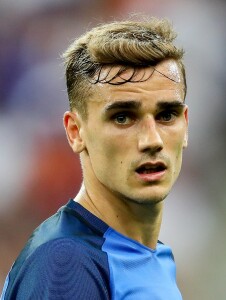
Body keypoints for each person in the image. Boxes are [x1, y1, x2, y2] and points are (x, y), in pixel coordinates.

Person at [1, 15, 188, 300]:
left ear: (185, 125)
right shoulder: (66, 262)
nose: (152, 140)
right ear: (76, 132)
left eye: (166, 115)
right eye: (123, 117)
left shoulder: (157, 257)